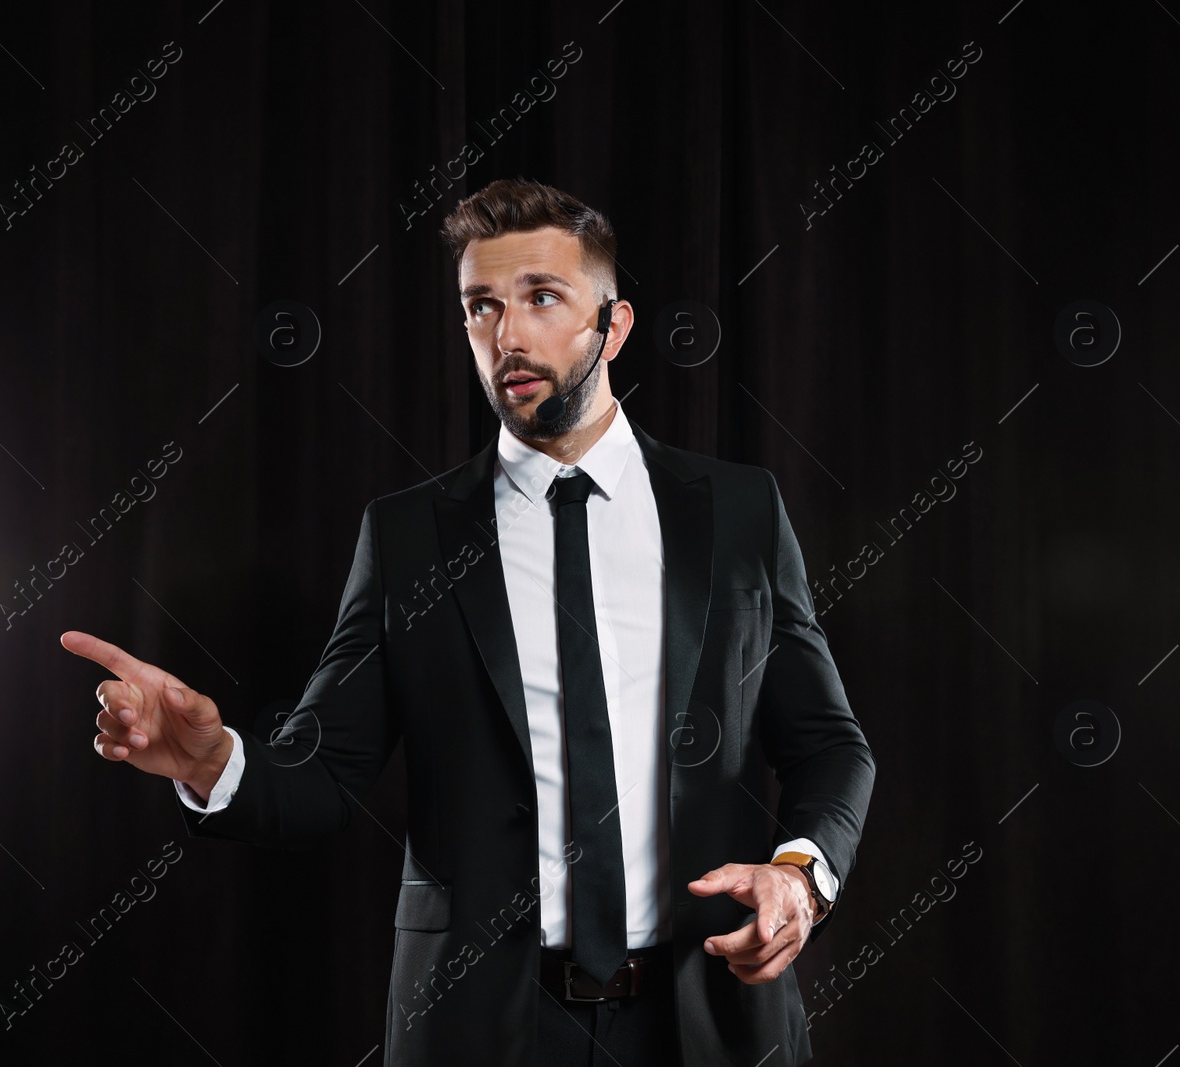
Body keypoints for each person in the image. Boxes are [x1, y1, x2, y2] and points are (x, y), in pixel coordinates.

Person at [61, 177, 874, 1066]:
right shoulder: (410, 536)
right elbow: (324, 772)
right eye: (480, 306)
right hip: (483, 1031)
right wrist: (212, 763)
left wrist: (799, 875)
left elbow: (830, 743)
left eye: (542, 297)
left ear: (616, 323)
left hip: (711, 1016)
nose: (507, 336)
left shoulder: (737, 512)